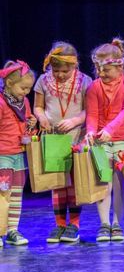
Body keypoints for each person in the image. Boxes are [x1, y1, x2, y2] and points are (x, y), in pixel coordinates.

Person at [34, 42, 92, 243]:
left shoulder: (85, 81)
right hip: (53, 138)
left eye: (65, 71)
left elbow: (89, 110)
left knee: (75, 183)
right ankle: (59, 224)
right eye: (55, 70)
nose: (60, 74)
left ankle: (74, 224)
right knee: (57, 183)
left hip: (76, 137)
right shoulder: (43, 81)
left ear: (74, 65)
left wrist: (75, 121)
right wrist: (42, 117)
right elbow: (38, 107)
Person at [86, 38, 124, 242]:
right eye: (98, 69)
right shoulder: (94, 87)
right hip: (101, 141)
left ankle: (117, 223)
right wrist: (91, 131)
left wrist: (110, 128)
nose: (101, 73)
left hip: (122, 139)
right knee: (103, 181)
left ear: (119, 67)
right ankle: (104, 223)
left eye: (106, 70)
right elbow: (92, 114)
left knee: (118, 182)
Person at [0, 60, 37, 246]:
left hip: (20, 154)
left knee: (16, 194)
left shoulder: (25, 102)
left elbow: (27, 128)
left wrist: (31, 125)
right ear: (9, 83)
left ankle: (12, 230)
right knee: (3, 193)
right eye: (23, 88)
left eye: (29, 89)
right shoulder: (1, 102)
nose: (26, 92)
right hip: (3, 155)